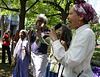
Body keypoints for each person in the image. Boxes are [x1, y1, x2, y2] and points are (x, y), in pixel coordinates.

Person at [45, 0, 98, 77]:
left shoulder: (86, 33)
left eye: (70, 14)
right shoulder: (79, 33)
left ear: (81, 16)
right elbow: (71, 57)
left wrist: (55, 40)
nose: (68, 17)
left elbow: (70, 61)